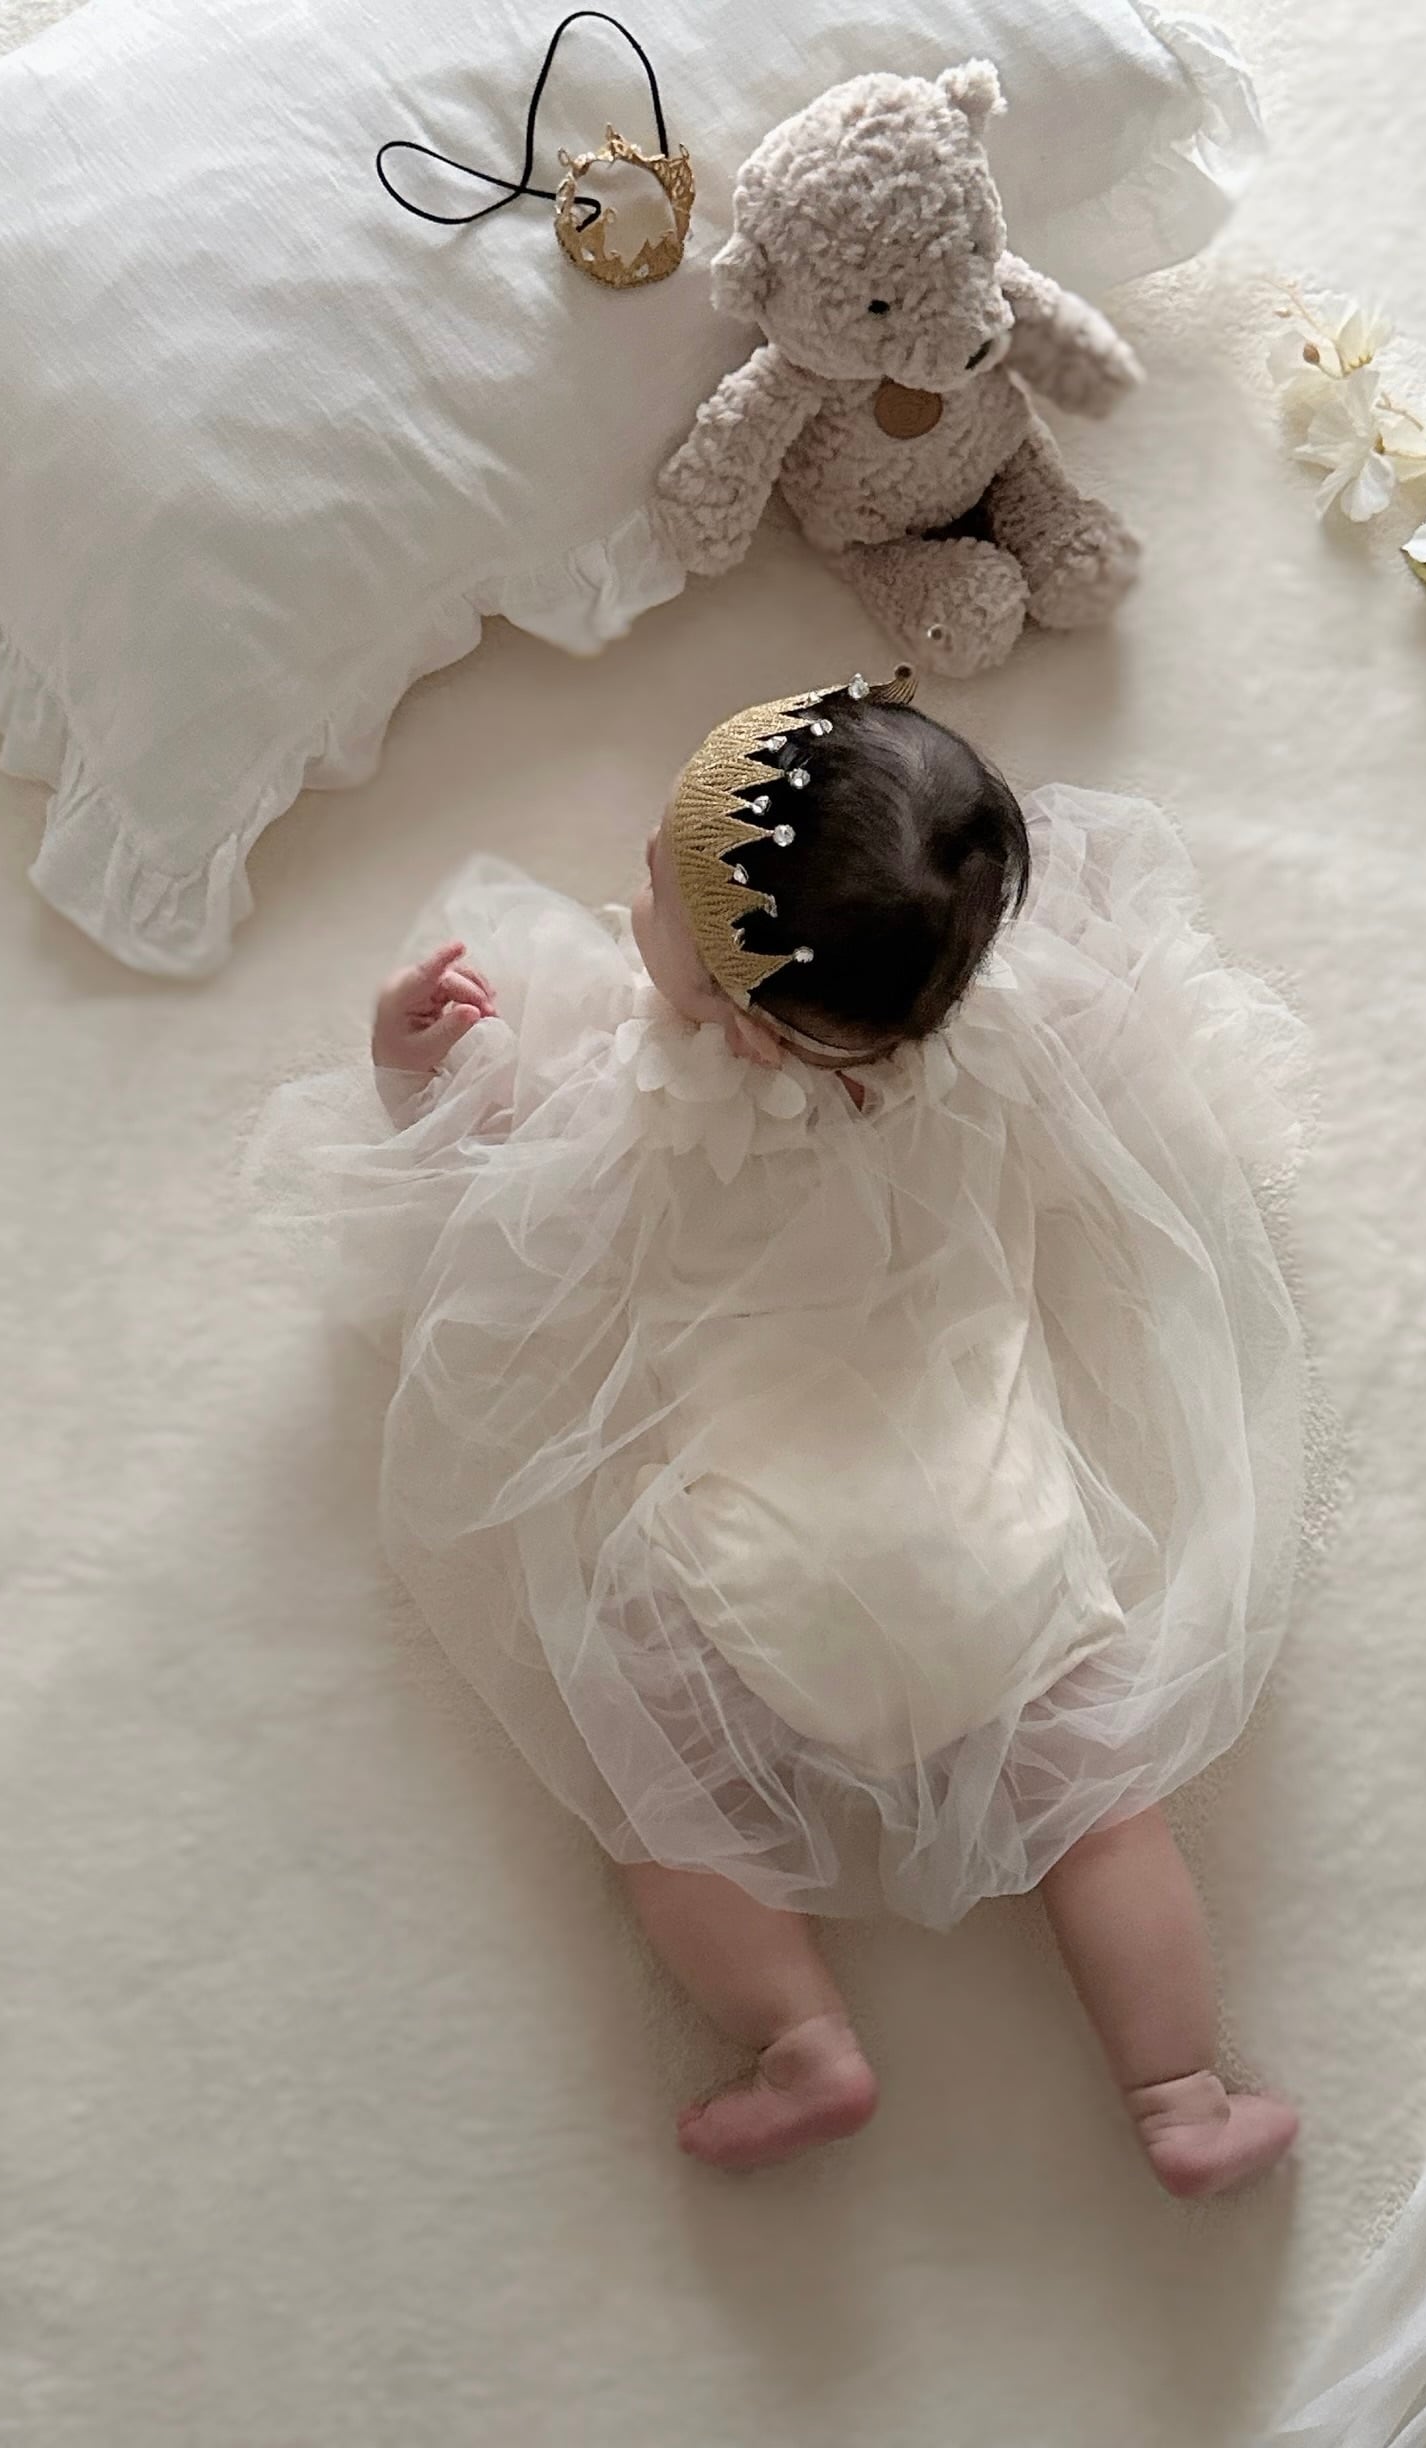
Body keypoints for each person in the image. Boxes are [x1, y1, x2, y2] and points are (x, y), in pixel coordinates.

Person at [263, 668, 1309, 2191]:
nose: (636, 883)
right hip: (990, 1543)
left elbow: (472, 1205)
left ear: (738, 1022)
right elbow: (1155, 1071)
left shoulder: (632, 1102)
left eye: (657, 894)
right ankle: (1181, 2096)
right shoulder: (1016, 1034)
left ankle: (801, 2040)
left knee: (659, 1807)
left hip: (738, 1566)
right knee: (1099, 1818)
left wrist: (408, 1070)